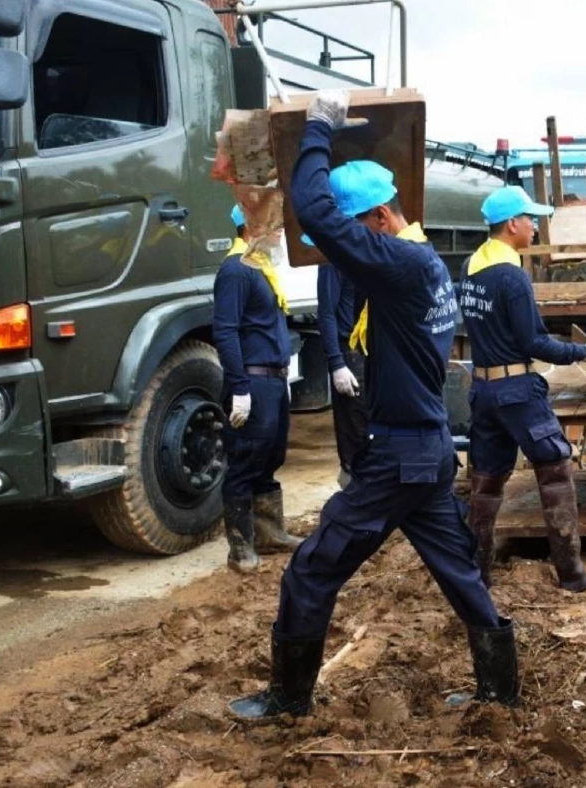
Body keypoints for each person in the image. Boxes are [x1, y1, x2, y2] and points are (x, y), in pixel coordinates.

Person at [228, 91, 516, 720]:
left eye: (356, 236)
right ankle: (502, 687)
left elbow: (317, 214)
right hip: (429, 453)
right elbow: (334, 238)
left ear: (381, 219)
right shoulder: (425, 264)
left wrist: (320, 132)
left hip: (398, 459)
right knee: (460, 574)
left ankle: (289, 699)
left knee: (310, 570)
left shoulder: (403, 267)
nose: (344, 252)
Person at [458, 185, 586, 592]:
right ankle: (572, 573)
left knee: (487, 482)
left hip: (484, 391)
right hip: (517, 391)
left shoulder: (472, 267)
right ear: (512, 224)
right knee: (555, 469)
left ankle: (478, 575)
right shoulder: (512, 277)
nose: (535, 227)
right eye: (530, 219)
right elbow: (533, 343)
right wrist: (585, 351)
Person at [211, 205, 304, 573]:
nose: (281, 232)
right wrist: (239, 387)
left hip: (273, 379)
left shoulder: (260, 269)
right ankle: (240, 549)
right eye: (274, 226)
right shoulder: (235, 271)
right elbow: (226, 331)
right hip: (254, 379)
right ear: (252, 226)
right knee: (246, 462)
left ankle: (270, 534)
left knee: (270, 457)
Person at [313, 217, 366, 487]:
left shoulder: (365, 252)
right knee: (353, 434)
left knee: (369, 431)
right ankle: (352, 494)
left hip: (367, 351)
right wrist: (336, 363)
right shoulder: (333, 258)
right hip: (348, 354)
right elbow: (326, 313)